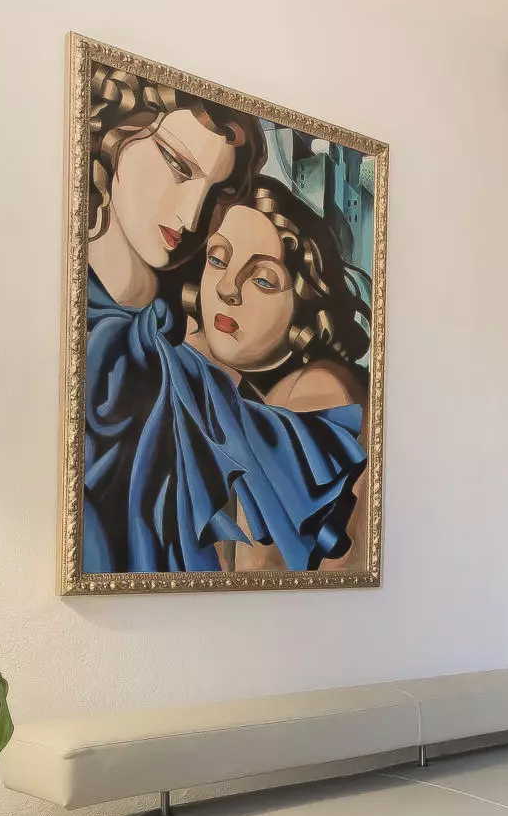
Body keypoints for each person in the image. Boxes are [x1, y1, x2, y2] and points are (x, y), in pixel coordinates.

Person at [79, 71, 366, 573]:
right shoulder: (154, 349)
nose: (191, 214)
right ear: (114, 137)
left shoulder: (291, 390)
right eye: (176, 164)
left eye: (264, 280)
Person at [184, 177, 374, 571]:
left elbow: (254, 575)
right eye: (217, 259)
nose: (226, 288)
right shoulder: (247, 386)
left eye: (262, 279)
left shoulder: (314, 392)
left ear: (305, 303)